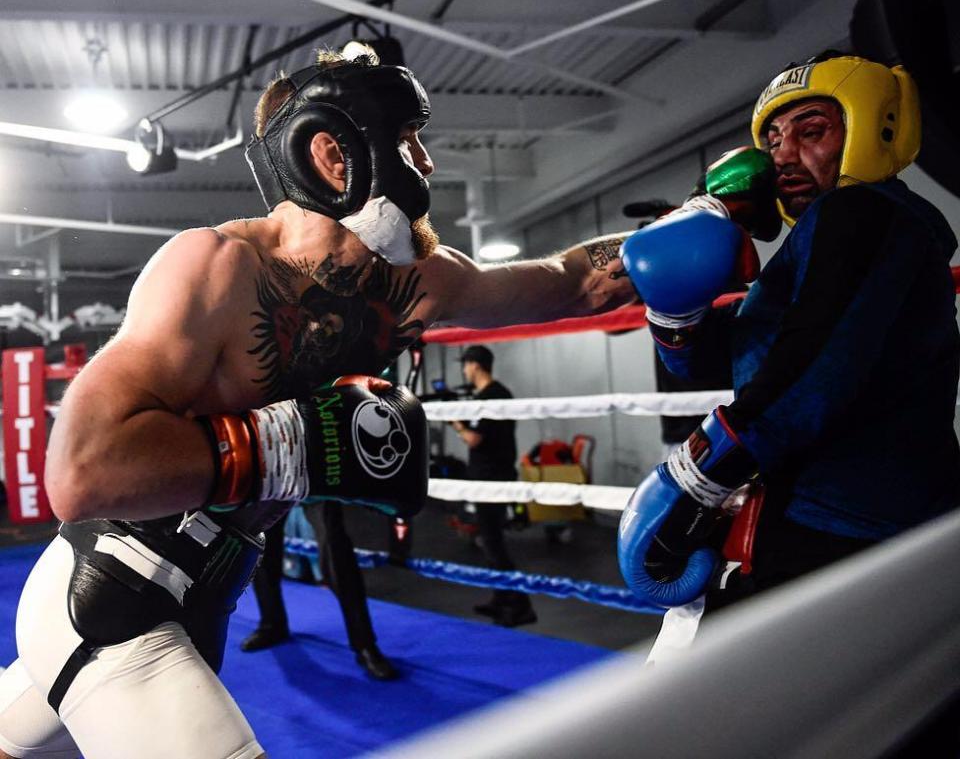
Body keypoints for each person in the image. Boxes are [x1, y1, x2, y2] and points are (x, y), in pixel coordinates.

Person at [0, 47, 636, 759]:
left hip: (207, 592)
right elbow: (81, 472)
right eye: (406, 140)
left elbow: (563, 282)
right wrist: (290, 444)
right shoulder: (215, 268)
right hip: (113, 589)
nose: (425, 163)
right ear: (334, 154)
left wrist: (663, 243)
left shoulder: (417, 281)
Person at [617, 53, 959, 615]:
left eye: (812, 131)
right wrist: (678, 303)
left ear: (877, 127)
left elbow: (808, 372)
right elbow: (713, 361)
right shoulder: (820, 246)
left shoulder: (863, 212)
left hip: (851, 525)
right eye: (773, 140)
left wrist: (692, 479)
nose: (783, 156)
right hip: (826, 512)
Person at [240, 502, 399, 681]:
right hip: (273, 479)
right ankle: (272, 625)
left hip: (314, 478)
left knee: (335, 550)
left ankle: (365, 644)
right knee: (262, 547)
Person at [450, 345, 535, 628]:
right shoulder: (486, 396)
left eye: (466, 365)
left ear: (475, 365)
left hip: (493, 480)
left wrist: (455, 423)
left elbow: (475, 439)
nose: (464, 370)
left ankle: (521, 604)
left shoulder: (494, 396)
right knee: (489, 540)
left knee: (493, 542)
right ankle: (501, 598)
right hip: (486, 477)